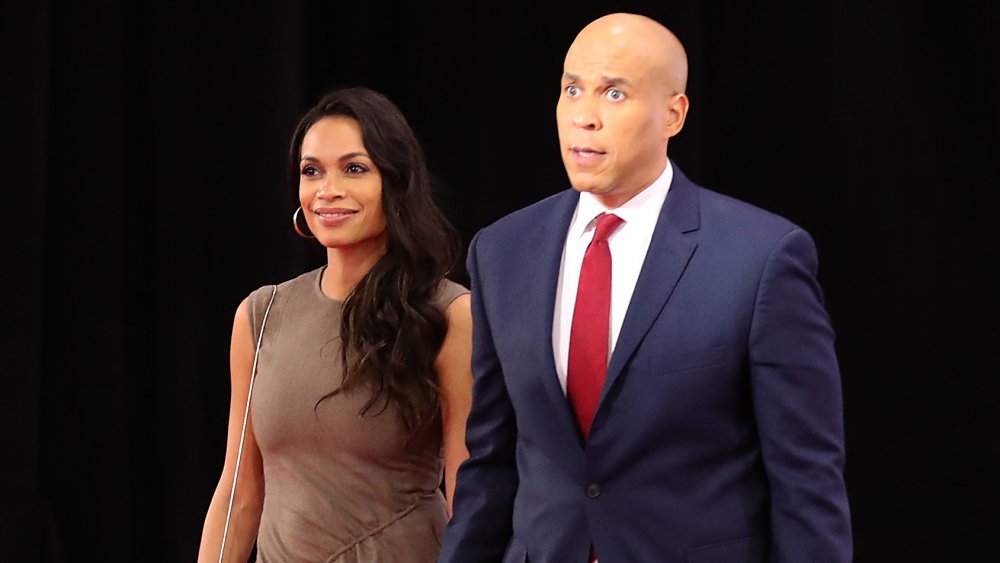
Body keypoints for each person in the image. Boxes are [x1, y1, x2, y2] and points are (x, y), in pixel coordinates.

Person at [439, 13, 852, 563]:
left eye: (614, 93)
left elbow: (806, 480)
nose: (584, 116)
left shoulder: (762, 258)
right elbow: (490, 461)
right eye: (572, 89)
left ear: (673, 114)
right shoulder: (501, 251)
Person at [197, 87, 473, 562]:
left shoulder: (448, 313)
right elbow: (239, 492)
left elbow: (471, 492)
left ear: (396, 180)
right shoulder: (261, 315)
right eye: (311, 171)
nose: (328, 190)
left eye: (354, 168)